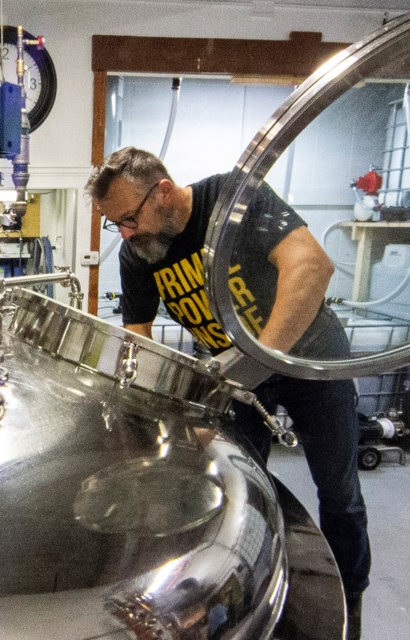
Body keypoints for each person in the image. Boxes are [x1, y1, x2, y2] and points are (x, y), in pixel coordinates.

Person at [86, 147, 370, 640]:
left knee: (339, 494)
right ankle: (256, 593)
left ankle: (350, 602)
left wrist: (252, 366)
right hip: (234, 379)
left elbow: (312, 268)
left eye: (130, 218)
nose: (127, 235)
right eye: (117, 225)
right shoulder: (140, 253)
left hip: (310, 361)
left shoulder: (235, 201)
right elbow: (137, 340)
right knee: (237, 490)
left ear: (165, 192)